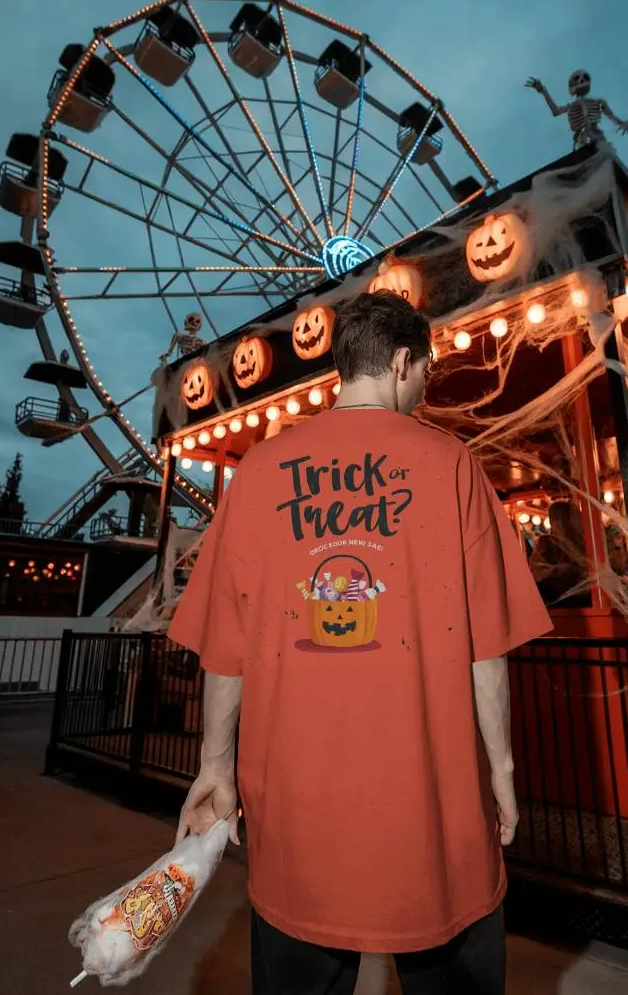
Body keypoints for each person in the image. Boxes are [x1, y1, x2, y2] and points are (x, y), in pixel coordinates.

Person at [168, 290, 552, 994]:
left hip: (296, 821)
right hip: (434, 815)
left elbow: (226, 649)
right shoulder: (453, 465)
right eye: (425, 371)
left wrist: (215, 766)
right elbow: (486, 652)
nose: (423, 385)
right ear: (403, 362)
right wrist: (500, 769)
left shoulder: (258, 471)